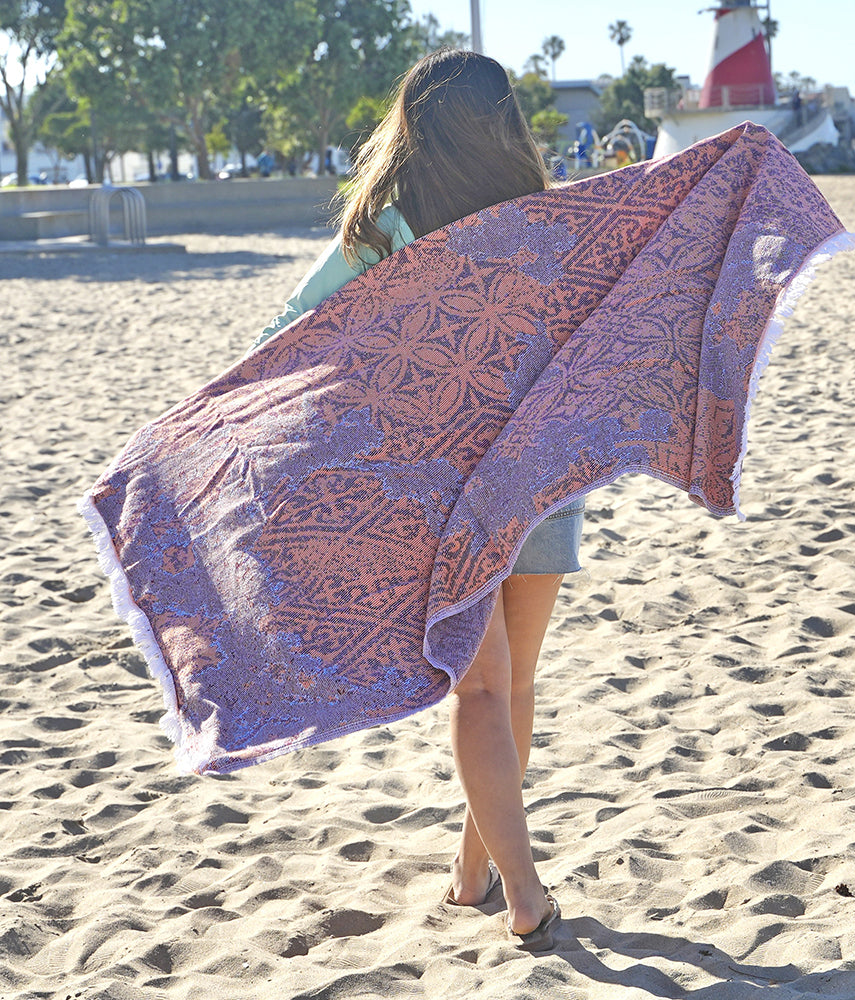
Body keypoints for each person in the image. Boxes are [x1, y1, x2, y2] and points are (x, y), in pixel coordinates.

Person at [253, 48, 572, 951]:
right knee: (515, 688)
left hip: (438, 492)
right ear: (505, 123)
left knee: (482, 691)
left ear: (414, 124)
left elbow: (286, 336)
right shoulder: (547, 222)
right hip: (539, 478)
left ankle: (494, 879)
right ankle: (510, 886)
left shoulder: (382, 232)